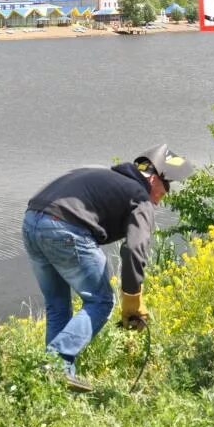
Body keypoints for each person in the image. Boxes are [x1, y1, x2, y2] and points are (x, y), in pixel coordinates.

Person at [23, 144, 195, 390]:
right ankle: (55, 362)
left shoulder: (105, 176)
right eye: (166, 187)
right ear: (155, 179)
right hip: (64, 228)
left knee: (57, 304)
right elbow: (135, 249)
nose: (164, 196)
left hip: (31, 222)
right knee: (101, 301)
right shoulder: (139, 195)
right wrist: (132, 298)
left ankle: (52, 382)